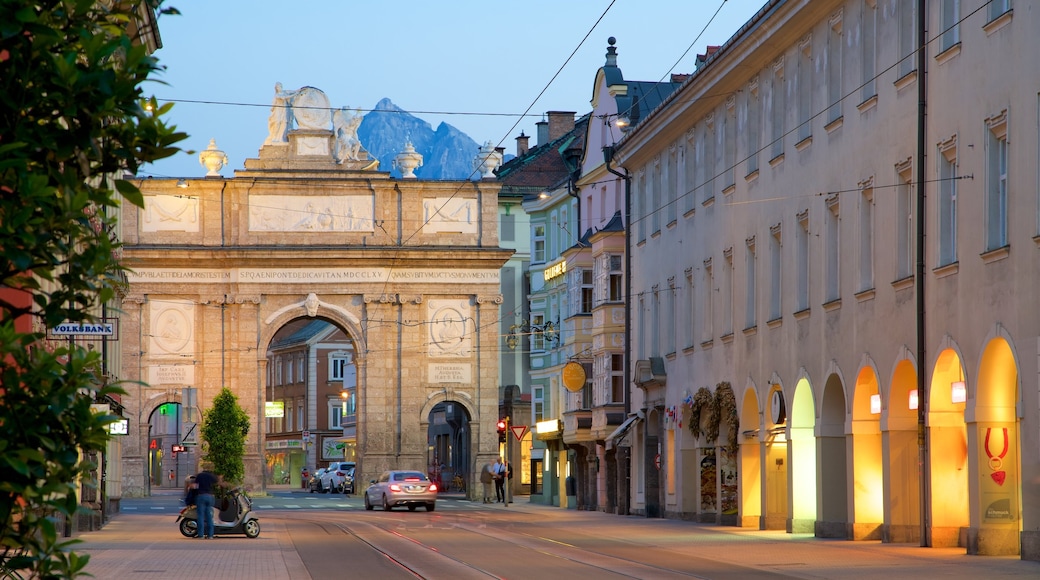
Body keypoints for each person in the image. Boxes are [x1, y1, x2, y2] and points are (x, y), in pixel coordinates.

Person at [192, 468, 219, 539]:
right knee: (209, 516)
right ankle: (210, 535)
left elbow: (195, 486)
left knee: (200, 516)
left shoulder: (199, 476)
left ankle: (201, 535)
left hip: (201, 496)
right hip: (210, 496)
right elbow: (217, 482)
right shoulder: (211, 476)